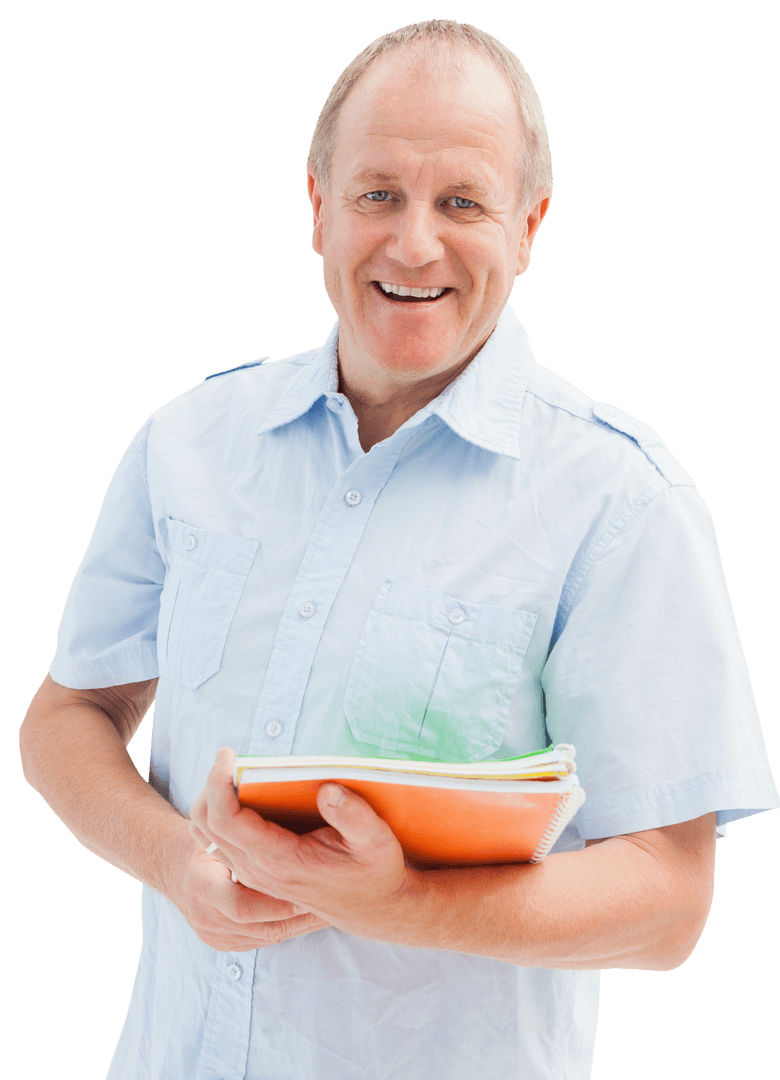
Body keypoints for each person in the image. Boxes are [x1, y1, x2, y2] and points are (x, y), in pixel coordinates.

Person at [18, 18, 779, 1080]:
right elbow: (65, 719)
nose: (414, 244)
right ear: (319, 207)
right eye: (378, 194)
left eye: (462, 202)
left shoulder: (619, 503)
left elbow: (668, 901)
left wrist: (410, 903)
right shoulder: (187, 443)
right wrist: (180, 862)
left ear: (529, 224)